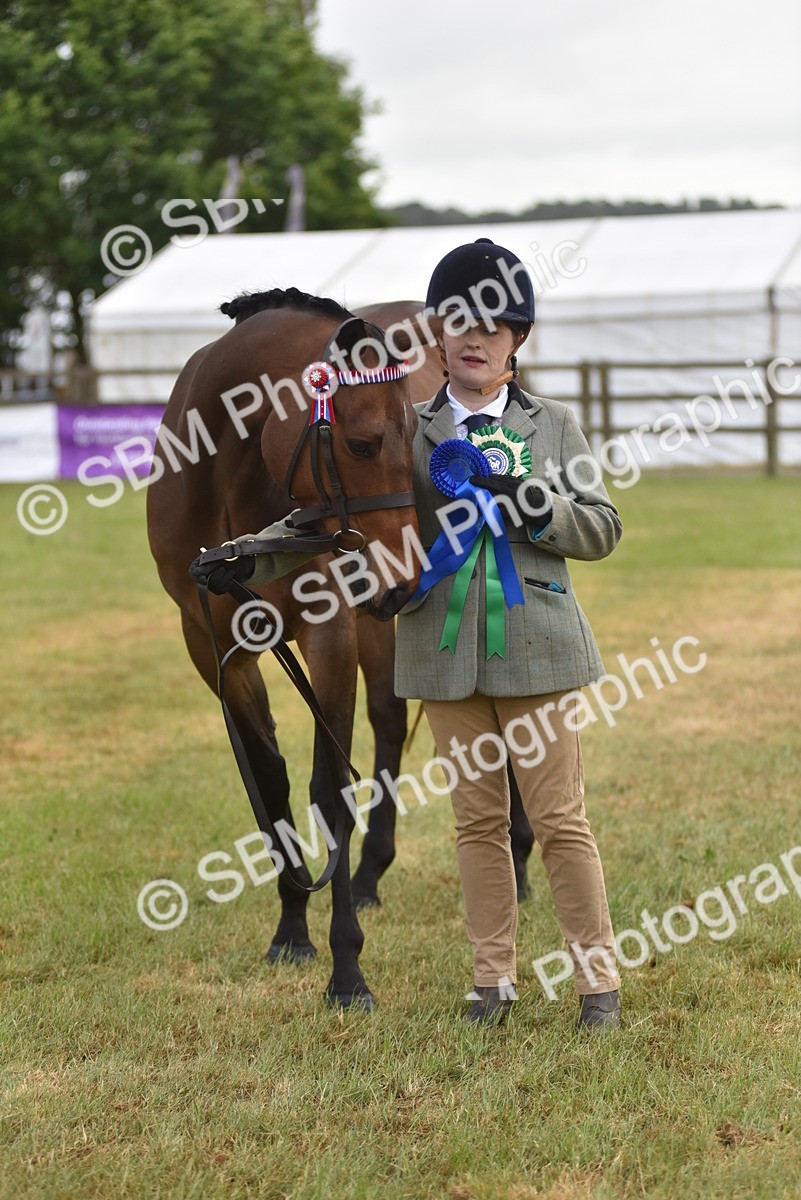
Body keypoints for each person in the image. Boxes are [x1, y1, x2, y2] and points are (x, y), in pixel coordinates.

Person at [191, 238, 623, 1029]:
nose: (474, 337)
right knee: (475, 826)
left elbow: (600, 529)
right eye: (458, 321)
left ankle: (597, 983)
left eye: (494, 326)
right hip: (442, 650)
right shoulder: (407, 427)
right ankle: (491, 982)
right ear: (437, 337)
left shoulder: (552, 426)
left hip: (536, 645)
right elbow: (333, 524)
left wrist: (531, 504)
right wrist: (243, 564)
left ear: (516, 340)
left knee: (560, 820)